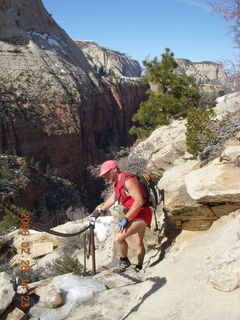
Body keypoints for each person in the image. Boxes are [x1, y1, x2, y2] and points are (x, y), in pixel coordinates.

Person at [92, 160, 152, 272]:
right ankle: (139, 267)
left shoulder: (128, 181)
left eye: (106, 174)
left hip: (142, 214)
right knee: (138, 243)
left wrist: (126, 218)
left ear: (114, 170)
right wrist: (100, 209)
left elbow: (139, 201)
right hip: (133, 214)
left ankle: (124, 260)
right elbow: (114, 197)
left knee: (119, 237)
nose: (105, 177)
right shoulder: (118, 184)